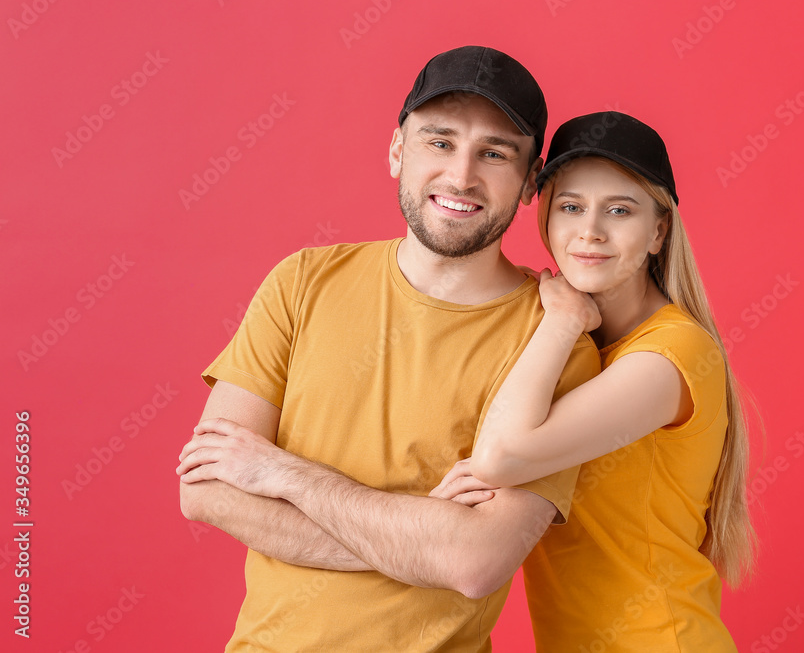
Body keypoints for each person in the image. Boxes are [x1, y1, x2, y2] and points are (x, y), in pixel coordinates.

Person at [175, 46, 600, 652]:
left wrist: (282, 474)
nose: (461, 175)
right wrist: (422, 536)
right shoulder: (302, 283)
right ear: (398, 150)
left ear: (533, 181)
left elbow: (476, 562)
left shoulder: (558, 347)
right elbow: (206, 489)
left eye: (496, 152)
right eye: (439, 141)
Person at [430, 112, 758, 651]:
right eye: (571, 206)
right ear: (547, 220)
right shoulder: (572, 351)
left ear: (658, 231)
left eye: (620, 211)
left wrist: (561, 319)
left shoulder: (672, 354)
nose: (590, 231)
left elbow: (499, 457)